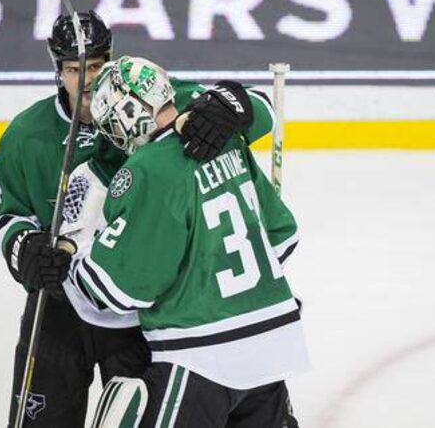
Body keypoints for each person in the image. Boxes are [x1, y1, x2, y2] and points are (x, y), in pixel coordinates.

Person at [0, 11, 277, 427]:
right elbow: (4, 216)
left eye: (96, 65)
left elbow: (261, 109)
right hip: (59, 305)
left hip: (137, 312)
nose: (86, 79)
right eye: (73, 69)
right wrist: (25, 247)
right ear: (57, 70)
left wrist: (232, 108)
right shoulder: (26, 135)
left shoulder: (157, 101)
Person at [65, 56, 309, 427]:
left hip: (200, 353)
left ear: (126, 115)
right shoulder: (226, 139)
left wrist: (78, 251)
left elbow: (118, 289)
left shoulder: (147, 170)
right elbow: (282, 238)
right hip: (271, 346)